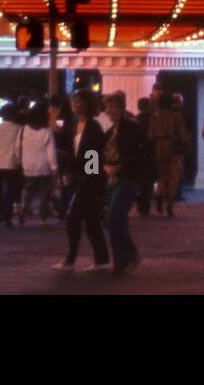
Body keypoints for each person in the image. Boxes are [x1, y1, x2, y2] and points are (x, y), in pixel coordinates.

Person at [55, 88, 109, 271]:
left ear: (88, 104)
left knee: (73, 218)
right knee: (91, 221)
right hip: (77, 177)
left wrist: (89, 176)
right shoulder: (72, 124)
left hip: (90, 180)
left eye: (79, 101)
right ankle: (101, 259)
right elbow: (67, 149)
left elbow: (94, 154)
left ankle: (71, 259)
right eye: (73, 101)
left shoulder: (94, 127)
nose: (75, 105)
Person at [103, 90, 143, 273]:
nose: (110, 110)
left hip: (128, 177)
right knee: (117, 219)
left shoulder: (131, 128)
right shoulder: (110, 131)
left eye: (113, 107)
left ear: (122, 108)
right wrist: (101, 169)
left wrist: (116, 169)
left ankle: (130, 254)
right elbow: (98, 154)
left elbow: (135, 156)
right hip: (112, 179)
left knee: (114, 217)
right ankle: (120, 260)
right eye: (108, 107)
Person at [148, 89, 190, 217]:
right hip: (173, 146)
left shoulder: (155, 116)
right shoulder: (176, 116)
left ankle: (159, 193)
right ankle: (169, 204)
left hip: (159, 146)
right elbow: (182, 133)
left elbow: (150, 135)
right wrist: (185, 143)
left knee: (161, 175)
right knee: (173, 176)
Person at [19, 102, 57, 224]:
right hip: (43, 166)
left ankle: (24, 209)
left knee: (28, 190)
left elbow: (17, 147)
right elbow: (51, 151)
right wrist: (54, 167)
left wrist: (20, 160)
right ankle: (42, 218)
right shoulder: (47, 131)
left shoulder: (23, 129)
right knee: (44, 194)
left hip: (28, 165)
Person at [48, 94, 73, 220]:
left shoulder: (58, 116)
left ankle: (63, 206)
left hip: (62, 153)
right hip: (68, 153)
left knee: (64, 181)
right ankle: (65, 207)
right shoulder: (71, 117)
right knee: (66, 182)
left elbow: (59, 131)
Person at [135, 96, 156, 217]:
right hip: (149, 151)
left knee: (142, 179)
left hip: (140, 151)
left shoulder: (137, 118)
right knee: (148, 180)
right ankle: (145, 203)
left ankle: (142, 204)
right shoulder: (151, 118)